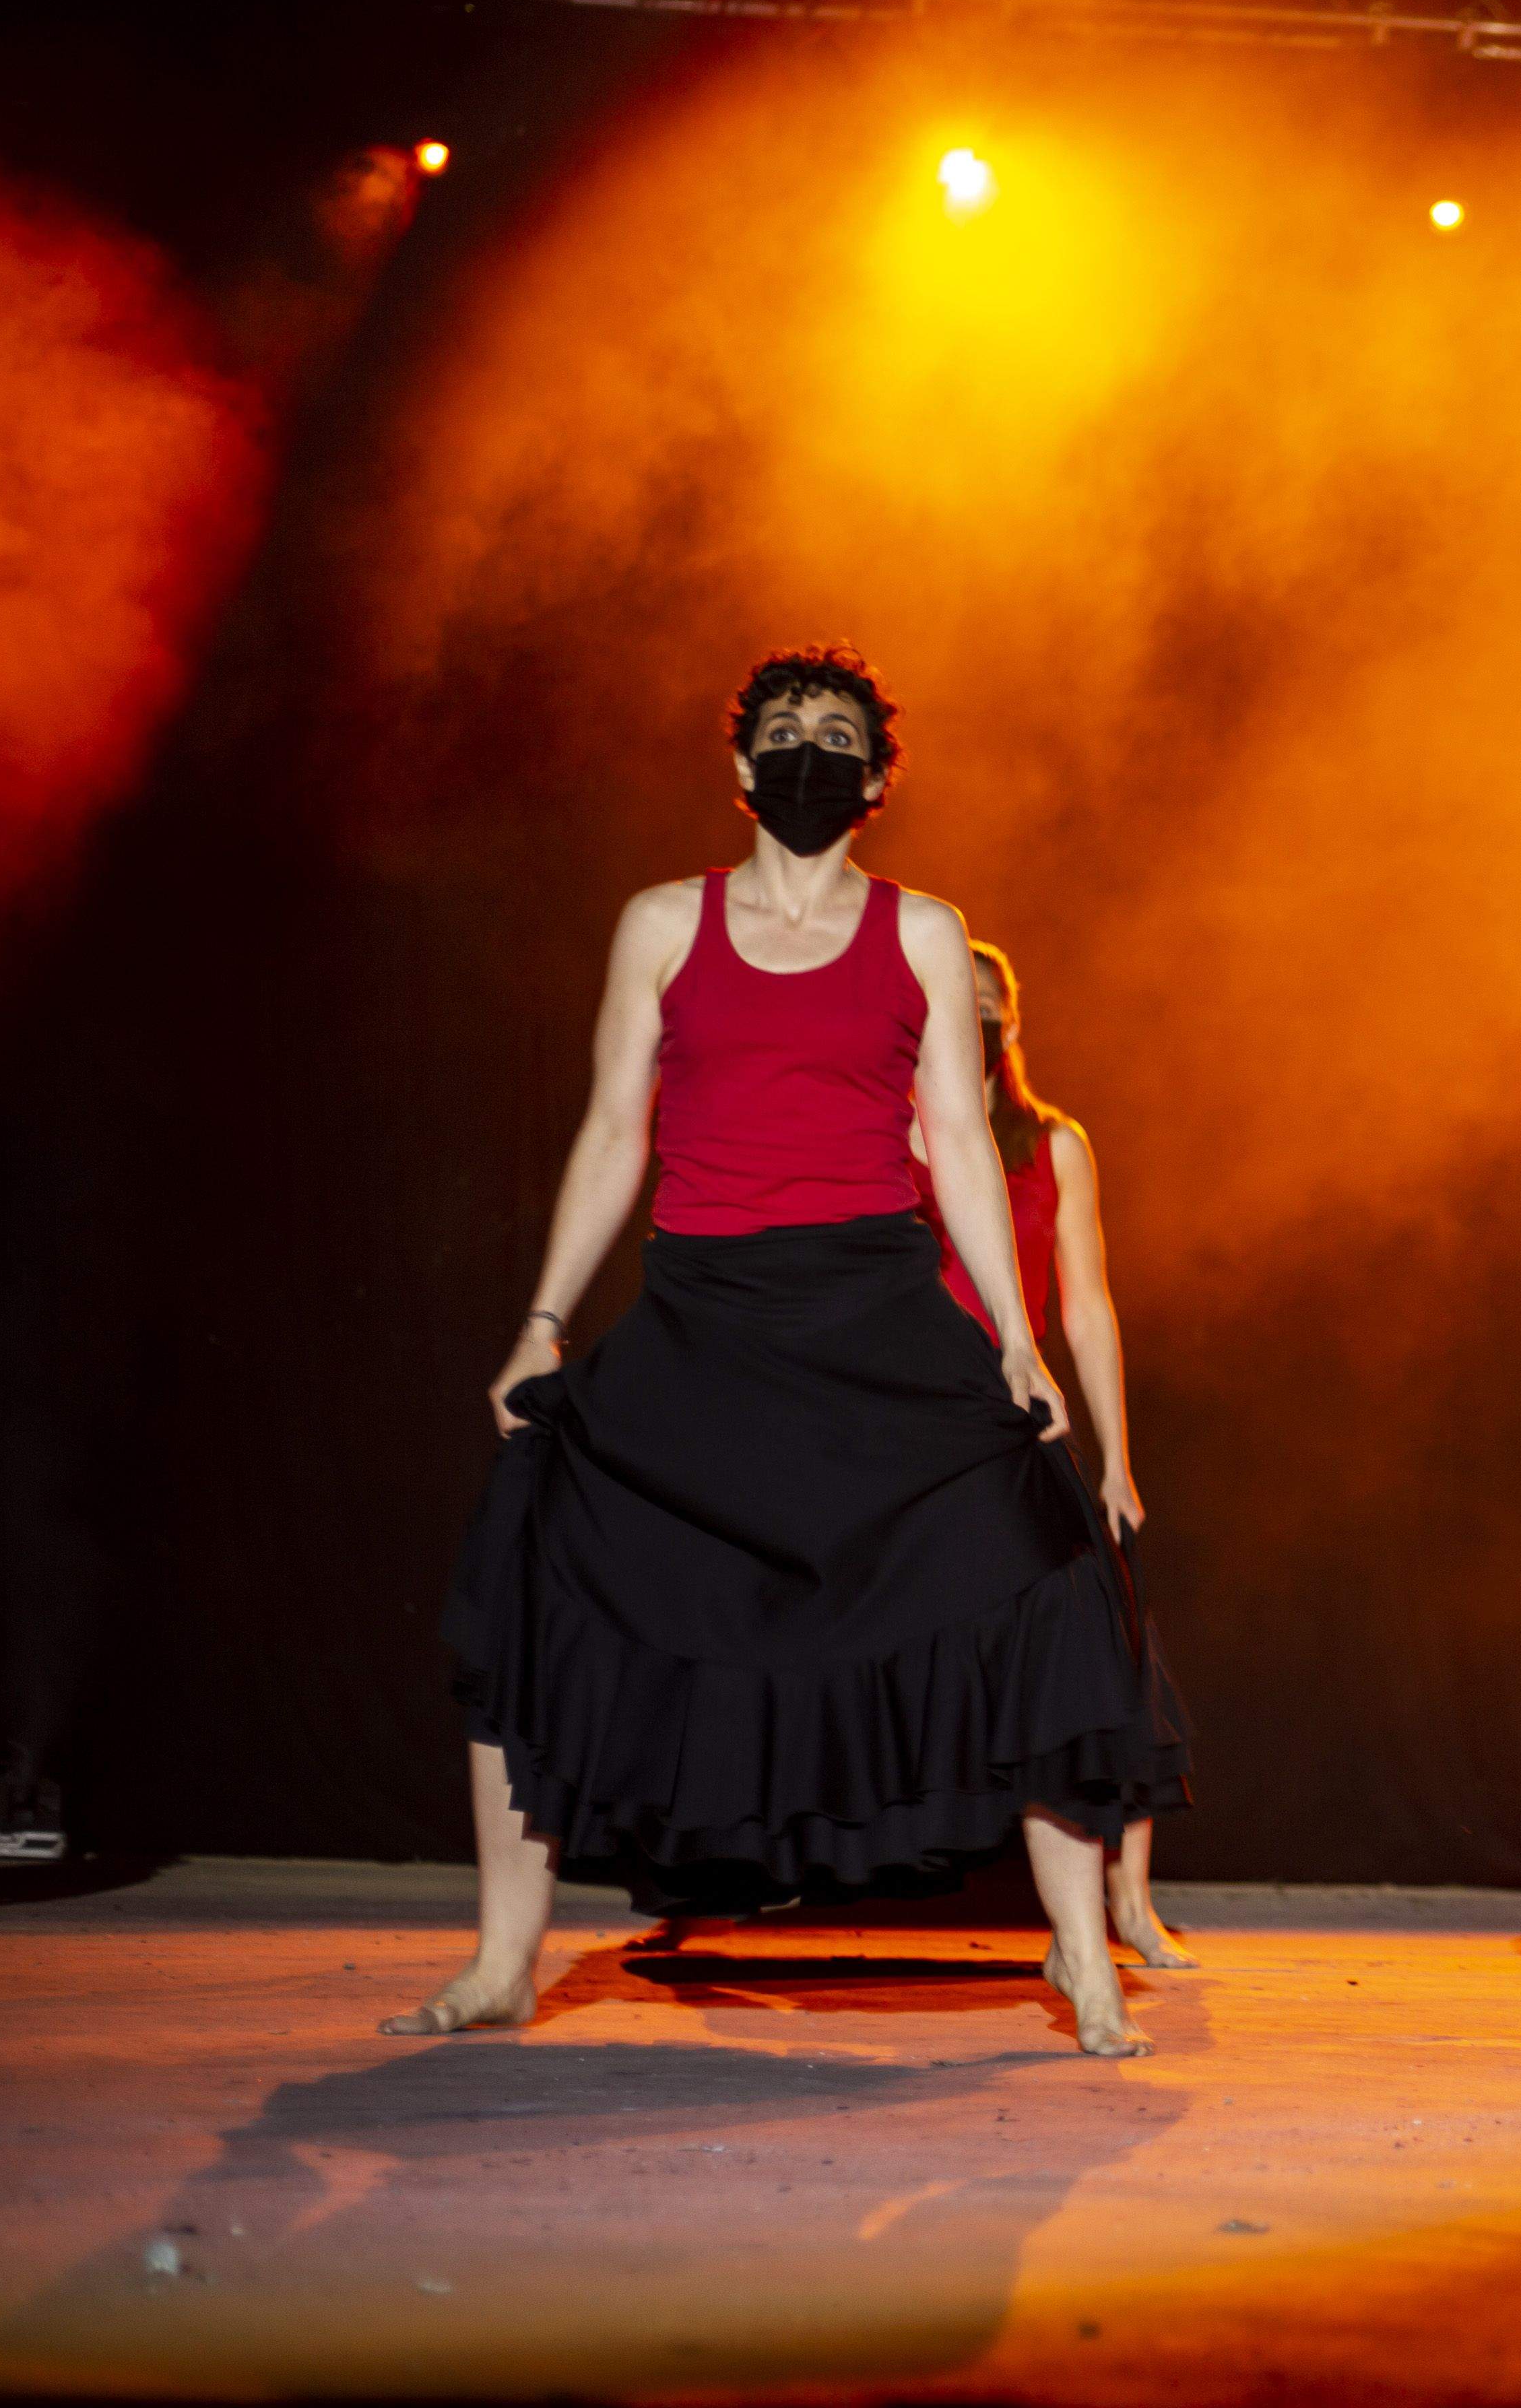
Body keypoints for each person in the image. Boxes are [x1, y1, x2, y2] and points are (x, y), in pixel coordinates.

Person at [390, 646, 1181, 2056]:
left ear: (874, 781)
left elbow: (952, 1138)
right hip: (706, 1312)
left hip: (876, 1311)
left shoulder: (925, 931)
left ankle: (1080, 1945)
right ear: (740, 767)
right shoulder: (661, 924)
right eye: (782, 730)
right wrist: (543, 1324)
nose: (807, 750)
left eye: (837, 735)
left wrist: (1017, 1341)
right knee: (537, 1556)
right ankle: (505, 1959)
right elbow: (617, 1132)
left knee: (1047, 1565)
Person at [913, 938, 1195, 1969]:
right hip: (908, 1417)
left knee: (1101, 1627)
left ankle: (1125, 1900)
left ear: (1014, 1024)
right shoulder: (886, 1132)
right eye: (960, 1001)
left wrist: (1117, 1457)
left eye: (992, 1005)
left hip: (1013, 1408)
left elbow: (1087, 1305)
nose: (976, 1018)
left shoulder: (1052, 1143)